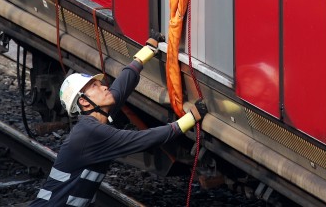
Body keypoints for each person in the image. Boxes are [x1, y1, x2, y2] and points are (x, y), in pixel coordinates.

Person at [29, 43, 208, 206]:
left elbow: (120, 89)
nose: (105, 87)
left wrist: (144, 54)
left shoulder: (96, 118)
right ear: (84, 102)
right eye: (95, 87)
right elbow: (144, 139)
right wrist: (190, 119)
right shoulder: (90, 133)